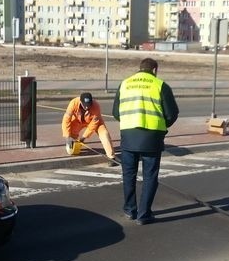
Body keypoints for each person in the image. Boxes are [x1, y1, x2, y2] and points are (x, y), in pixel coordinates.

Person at [112, 58, 179, 225]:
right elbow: (172, 114)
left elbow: (115, 112)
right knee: (149, 177)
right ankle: (144, 215)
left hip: (128, 137)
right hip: (152, 138)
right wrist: (161, 125)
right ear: (155, 70)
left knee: (128, 174)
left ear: (139, 68)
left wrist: (129, 121)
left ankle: (129, 210)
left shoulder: (125, 84)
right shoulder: (160, 85)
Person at [62, 92, 117, 166]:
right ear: (80, 101)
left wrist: (84, 137)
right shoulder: (73, 103)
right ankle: (72, 143)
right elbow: (66, 120)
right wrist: (67, 136)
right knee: (71, 140)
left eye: (89, 105)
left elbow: (93, 124)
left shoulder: (96, 106)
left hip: (94, 122)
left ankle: (111, 157)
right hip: (77, 121)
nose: (87, 107)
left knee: (104, 134)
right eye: (85, 105)